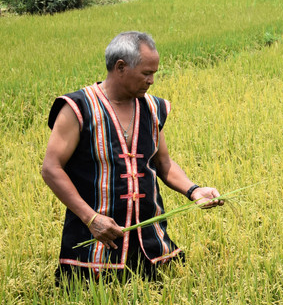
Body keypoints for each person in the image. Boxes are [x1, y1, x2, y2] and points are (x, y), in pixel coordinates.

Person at [42, 31, 223, 282]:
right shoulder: (78, 108)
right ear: (120, 67)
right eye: (146, 73)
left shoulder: (151, 107)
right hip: (93, 250)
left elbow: (163, 164)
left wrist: (194, 191)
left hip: (151, 247)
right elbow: (51, 168)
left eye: (154, 74)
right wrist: (90, 218)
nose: (151, 81)